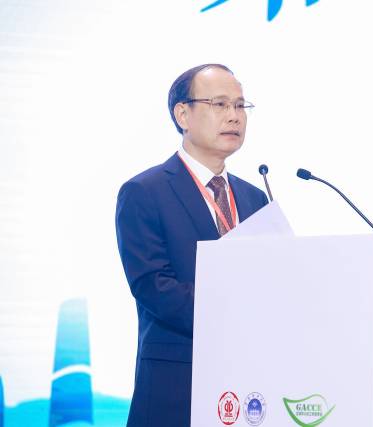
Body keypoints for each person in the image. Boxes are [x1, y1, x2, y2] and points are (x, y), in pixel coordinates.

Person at [115, 64, 268, 427]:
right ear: (182, 114)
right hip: (177, 385)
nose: (234, 116)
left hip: (250, 388)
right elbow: (154, 287)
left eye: (240, 106)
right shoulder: (144, 192)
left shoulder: (255, 198)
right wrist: (237, 313)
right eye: (220, 104)